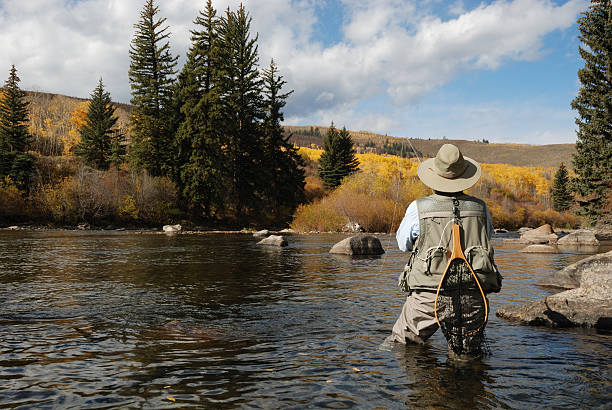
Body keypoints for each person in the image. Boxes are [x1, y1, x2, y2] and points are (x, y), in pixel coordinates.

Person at [391, 144, 502, 355]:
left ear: (435, 175)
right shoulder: (481, 207)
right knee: (467, 359)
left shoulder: (418, 207)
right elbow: (485, 238)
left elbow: (403, 244)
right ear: (464, 176)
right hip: (473, 294)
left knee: (403, 348)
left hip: (427, 295)